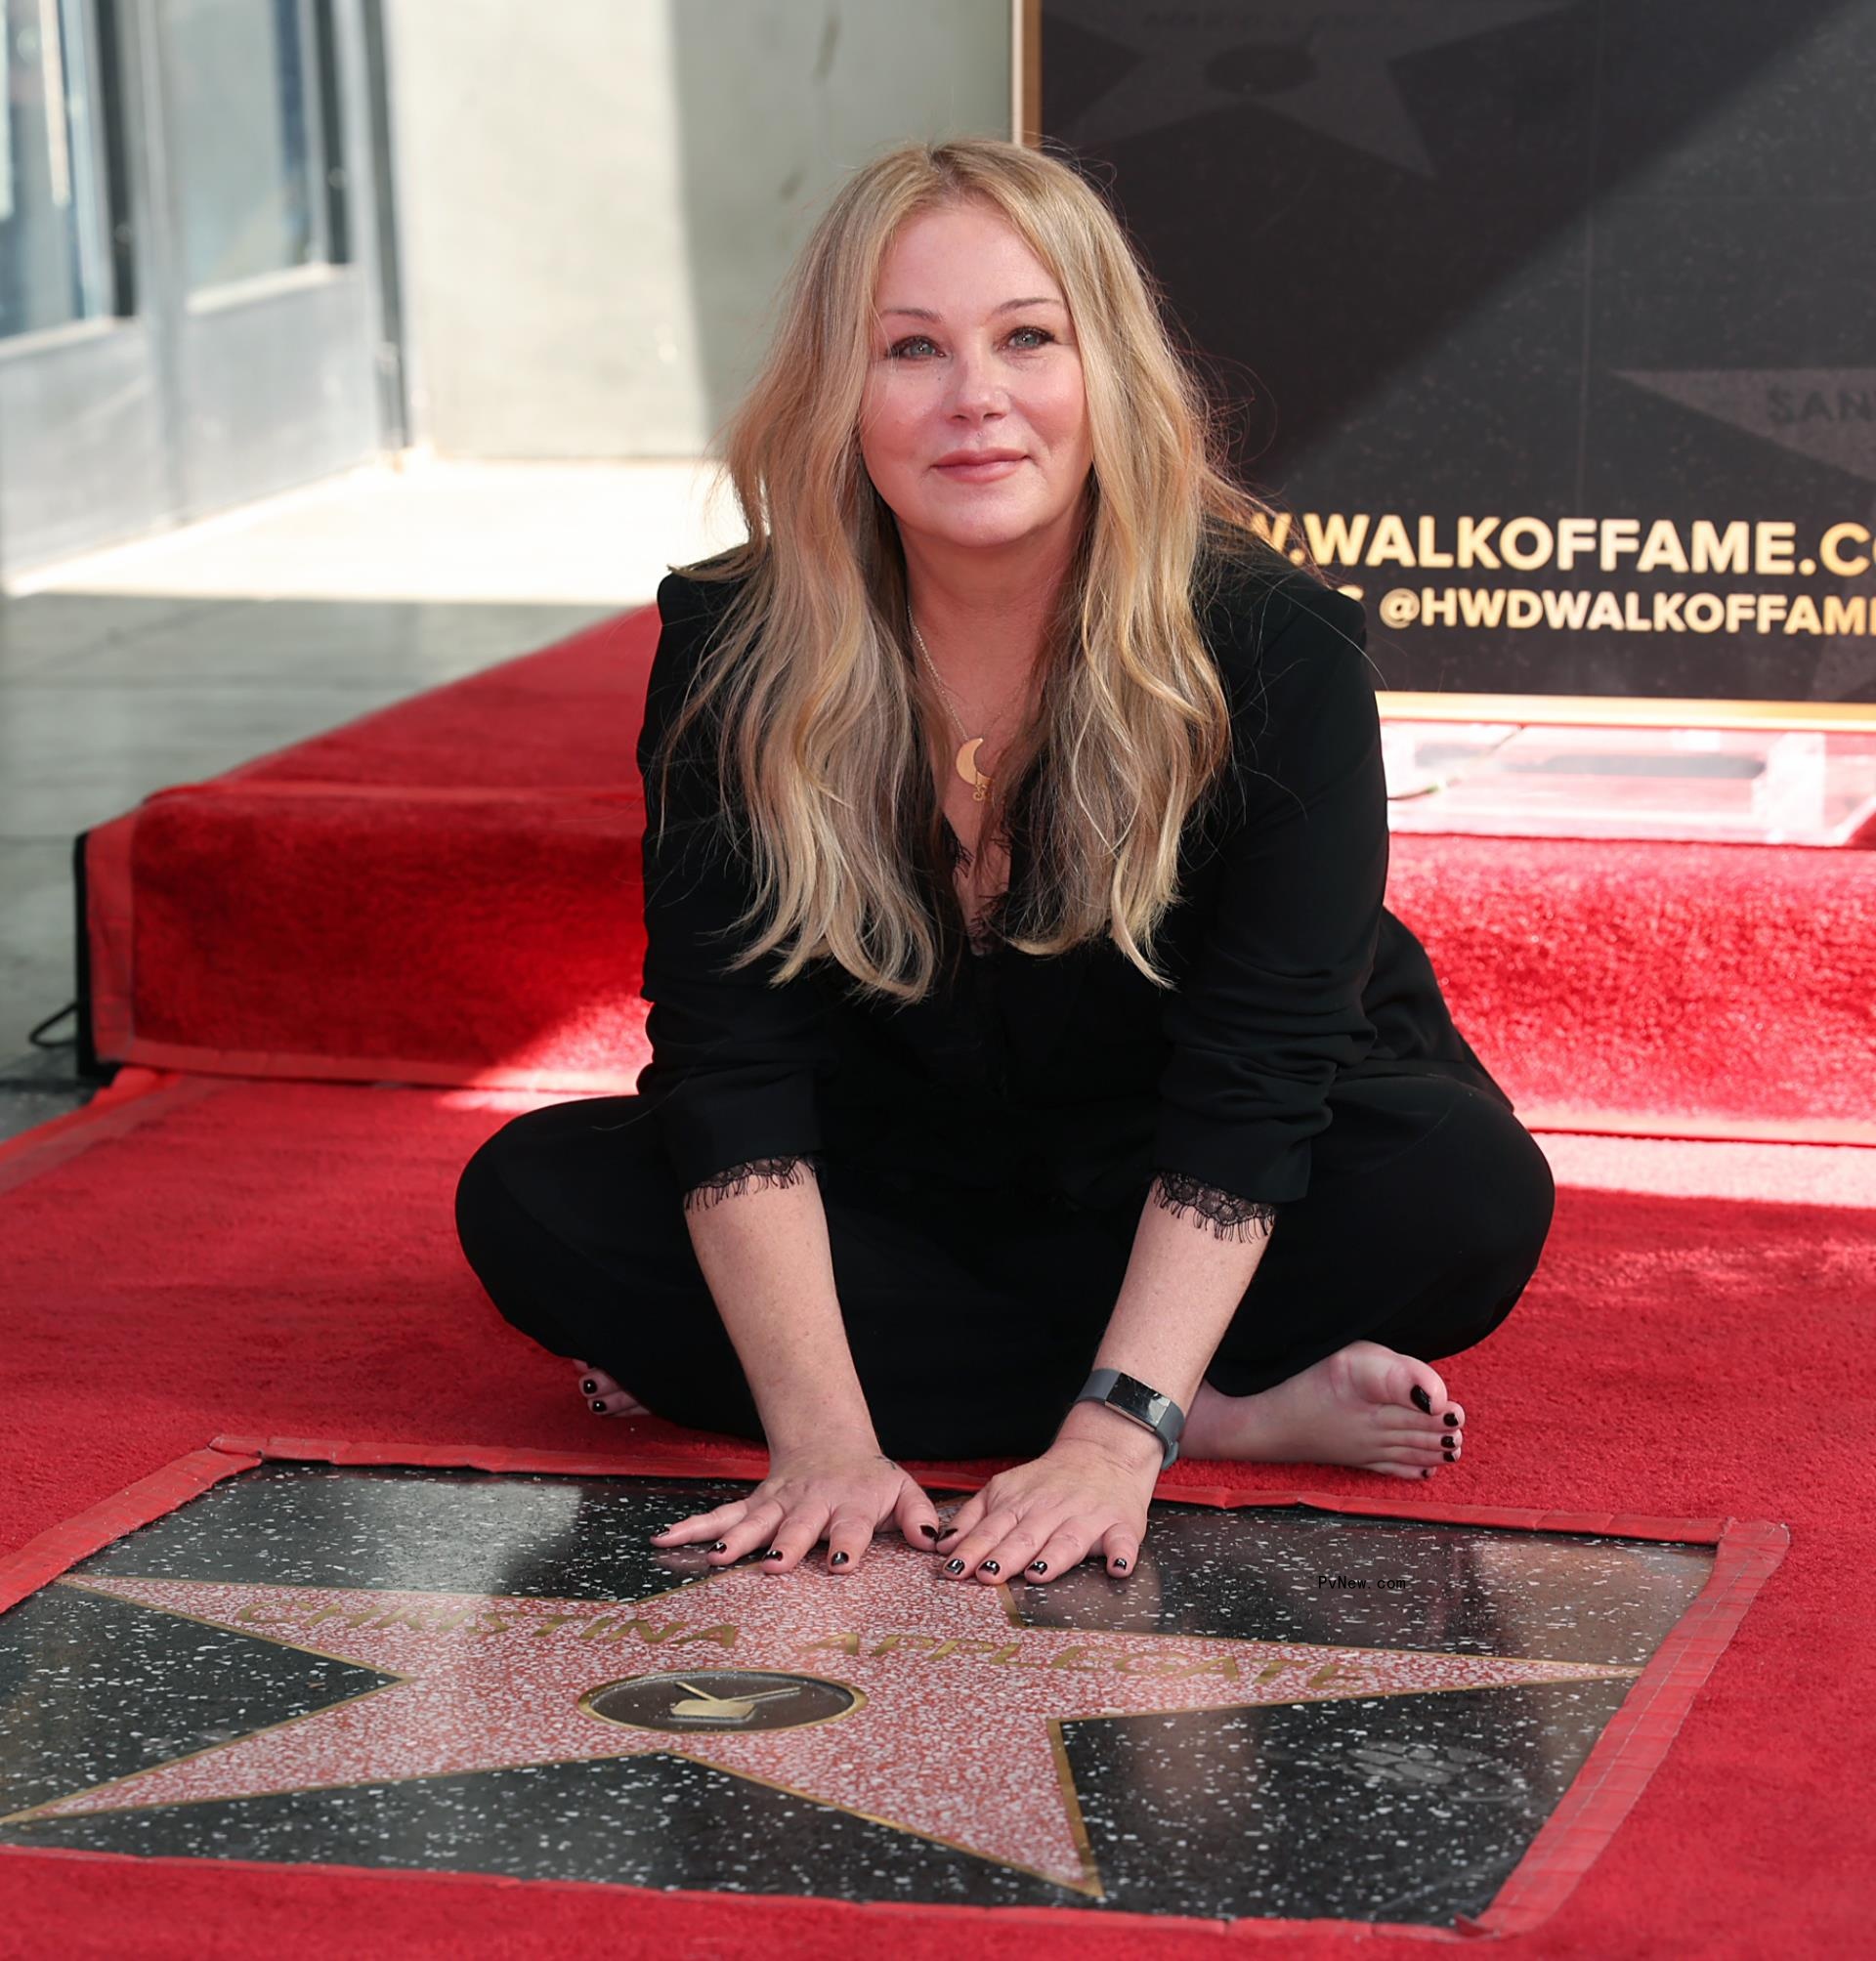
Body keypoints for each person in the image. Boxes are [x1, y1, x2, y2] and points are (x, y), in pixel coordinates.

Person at [454, 137, 1554, 1595]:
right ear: (837, 395)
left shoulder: (1275, 646)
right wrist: (820, 1436)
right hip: (900, 1158)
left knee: (1465, 1197)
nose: (975, 396)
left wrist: (1113, 1438)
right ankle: (1213, 1409)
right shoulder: (734, 645)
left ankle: (1121, 1401)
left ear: (1108, 368)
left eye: (1028, 337)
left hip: (1195, 1148)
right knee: (531, 1203)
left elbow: (1259, 1077)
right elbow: (731, 1060)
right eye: (909, 349)